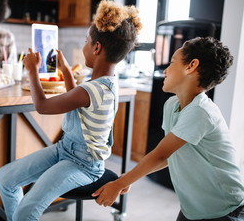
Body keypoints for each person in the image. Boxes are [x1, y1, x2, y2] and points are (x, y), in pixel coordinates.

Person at [0, 0, 142, 221]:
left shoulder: (92, 89)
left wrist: (33, 71)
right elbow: (80, 103)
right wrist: (65, 70)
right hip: (65, 150)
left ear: (96, 48)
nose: (83, 46)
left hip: (84, 165)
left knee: (27, 210)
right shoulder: (108, 83)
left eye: (86, 41)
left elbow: (42, 107)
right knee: (5, 178)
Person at [92, 37, 244, 221]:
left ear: (191, 66)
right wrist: (128, 178)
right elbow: (169, 155)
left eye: (172, 62)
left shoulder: (201, 112)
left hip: (225, 210)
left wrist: (119, 183)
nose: (165, 69)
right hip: (193, 209)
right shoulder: (172, 105)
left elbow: (160, 155)